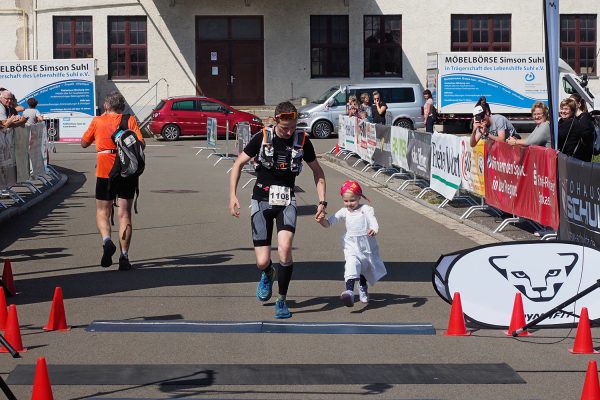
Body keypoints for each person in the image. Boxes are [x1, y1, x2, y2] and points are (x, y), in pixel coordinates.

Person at [229, 101, 327, 319]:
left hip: (286, 200)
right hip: (261, 200)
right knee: (262, 261)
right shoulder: (262, 138)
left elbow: (318, 172)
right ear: (275, 122)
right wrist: (233, 195)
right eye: (285, 128)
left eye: (293, 127)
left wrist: (322, 202)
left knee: (285, 249)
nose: (289, 131)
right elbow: (238, 164)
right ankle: (268, 272)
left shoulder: (302, 141)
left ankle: (281, 300)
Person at [81, 91, 145, 271]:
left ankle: (107, 240)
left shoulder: (98, 121)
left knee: (102, 211)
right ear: (122, 106)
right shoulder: (129, 120)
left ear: (106, 105)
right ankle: (124, 257)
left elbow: (84, 143)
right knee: (125, 214)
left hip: (105, 170)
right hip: (127, 170)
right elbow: (141, 143)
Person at [317, 180, 386, 307]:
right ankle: (349, 291)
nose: (349, 204)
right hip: (351, 244)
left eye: (352, 200)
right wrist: (321, 221)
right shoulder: (344, 211)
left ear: (359, 197)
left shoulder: (366, 209)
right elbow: (329, 223)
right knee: (351, 264)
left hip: (366, 244)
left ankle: (363, 287)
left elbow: (373, 221)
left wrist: (374, 229)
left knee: (365, 267)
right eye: (346, 201)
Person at [557, 97, 593, 162]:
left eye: (566, 109)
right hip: (564, 156)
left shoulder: (571, 122)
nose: (563, 111)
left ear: (572, 110)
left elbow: (557, 135)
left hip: (569, 158)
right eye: (561, 109)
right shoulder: (562, 121)